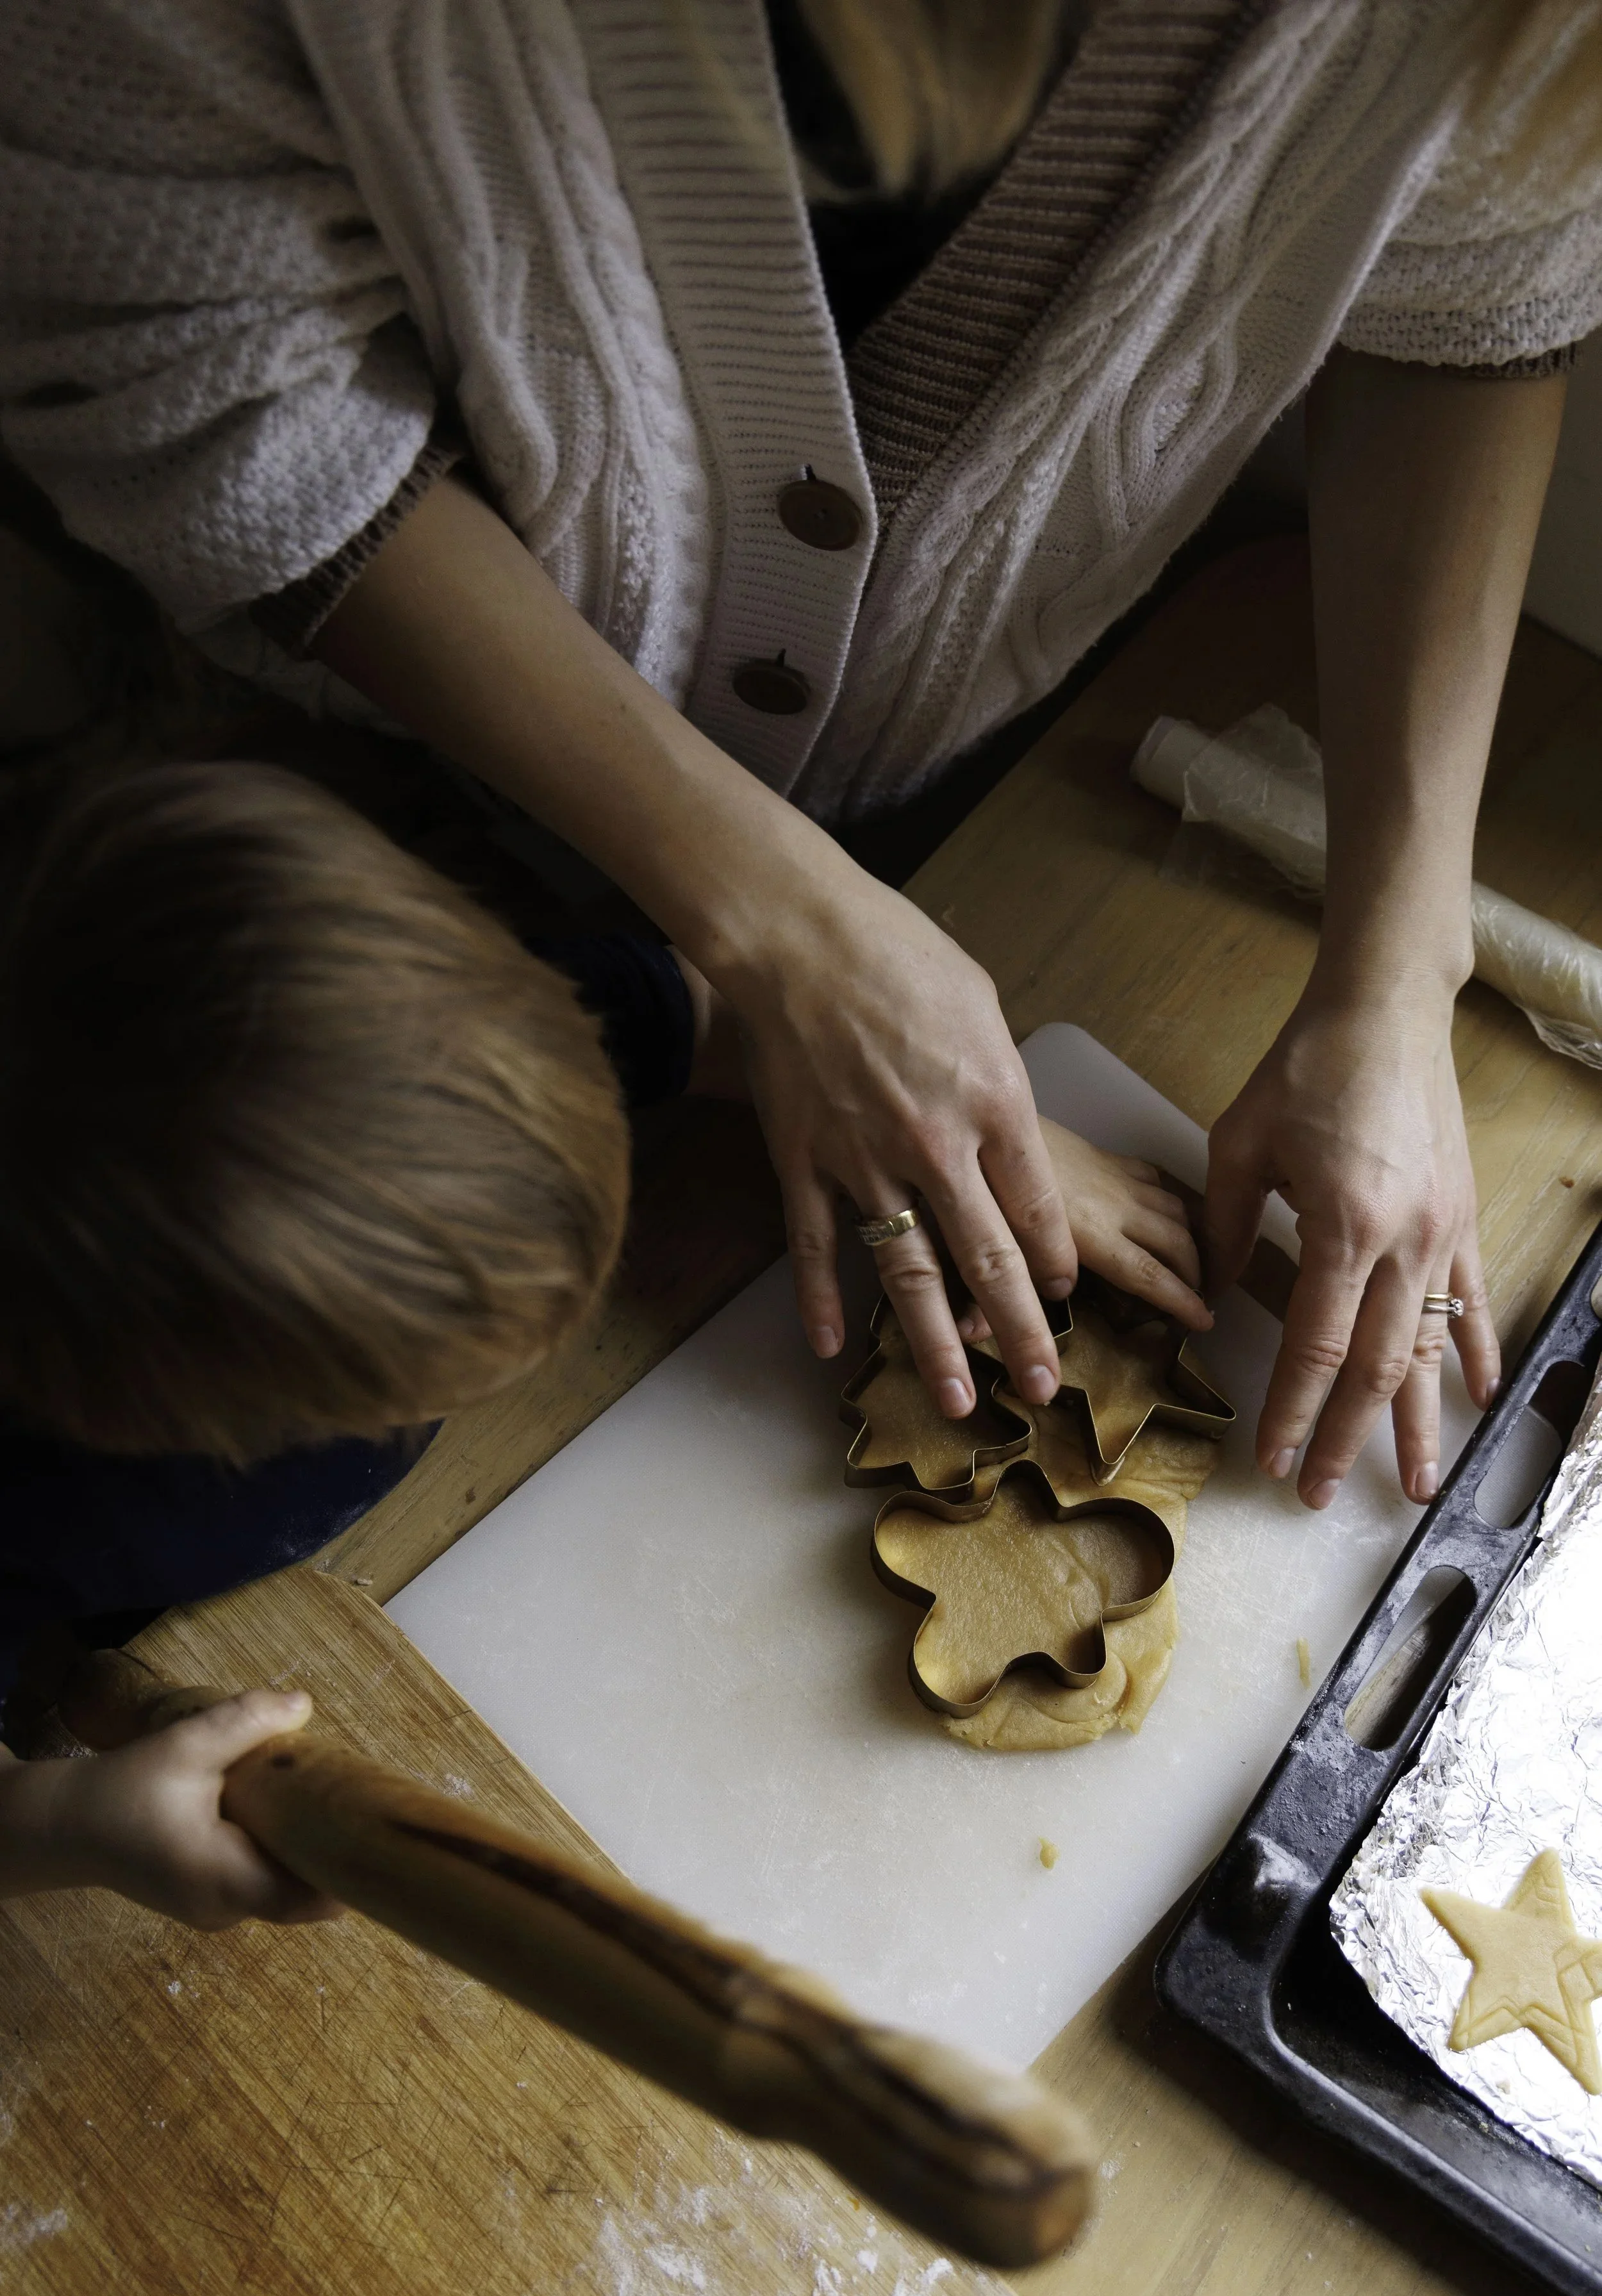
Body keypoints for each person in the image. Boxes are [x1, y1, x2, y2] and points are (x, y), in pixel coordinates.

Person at [1, 0, 1598, 1513]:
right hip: (360, 810)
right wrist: (773, 922)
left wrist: (1400, 965)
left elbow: (1473, 287)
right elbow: (211, 383)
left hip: (955, 817)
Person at [0, 756, 1204, 1924]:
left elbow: (710, 1013)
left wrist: (979, 1141)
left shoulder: (420, 1055)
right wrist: (68, 1825)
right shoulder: (48, 1493)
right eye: (418, 1383)